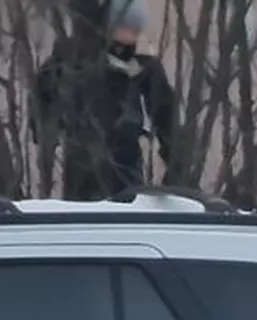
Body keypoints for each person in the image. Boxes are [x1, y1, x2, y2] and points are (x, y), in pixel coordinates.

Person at [34, 0, 178, 201]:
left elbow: (166, 115)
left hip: (126, 161)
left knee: (126, 212)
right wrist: (49, 132)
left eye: (135, 31)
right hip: (81, 163)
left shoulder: (142, 66)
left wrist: (174, 163)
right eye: (124, 29)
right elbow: (43, 94)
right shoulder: (74, 61)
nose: (129, 37)